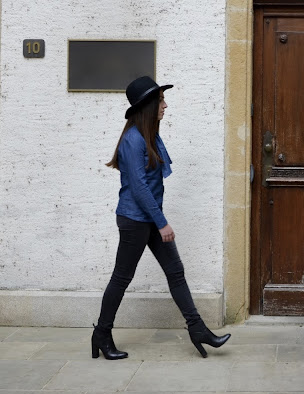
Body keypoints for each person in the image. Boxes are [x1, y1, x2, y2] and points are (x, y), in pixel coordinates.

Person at [92, 76, 230, 360]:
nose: (165, 106)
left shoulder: (149, 136)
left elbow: (149, 187)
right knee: (121, 278)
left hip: (150, 217)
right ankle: (101, 334)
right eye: (161, 101)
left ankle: (198, 329)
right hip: (134, 220)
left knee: (175, 272)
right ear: (147, 107)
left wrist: (158, 220)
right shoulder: (133, 140)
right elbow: (140, 188)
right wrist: (162, 222)